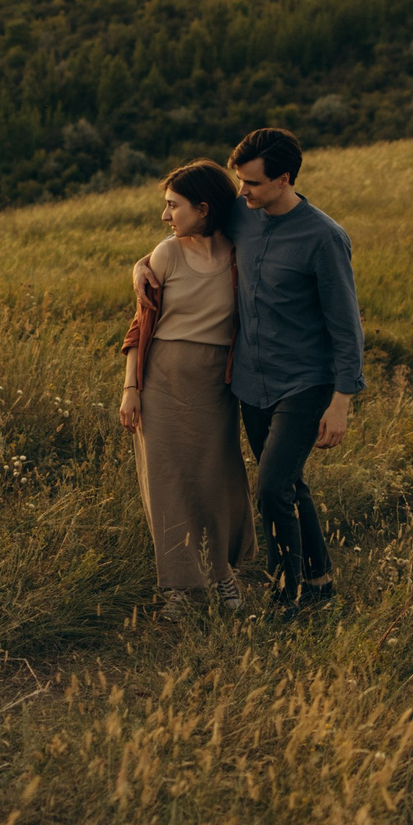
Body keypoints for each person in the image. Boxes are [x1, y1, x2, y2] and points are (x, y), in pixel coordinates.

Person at [136, 127, 364, 614]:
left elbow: (347, 327)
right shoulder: (243, 214)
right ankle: (319, 580)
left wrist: (341, 402)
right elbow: (185, 235)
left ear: (284, 179)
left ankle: (288, 596)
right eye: (239, 181)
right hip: (251, 383)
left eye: (253, 183)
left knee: (273, 488)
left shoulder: (324, 238)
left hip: (304, 383)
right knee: (291, 485)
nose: (242, 192)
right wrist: (141, 267)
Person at [119, 161, 253, 621]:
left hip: (216, 385)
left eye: (173, 206)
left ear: (204, 208)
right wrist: (130, 387)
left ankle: (222, 573)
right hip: (160, 383)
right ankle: (179, 586)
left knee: (217, 479)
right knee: (168, 484)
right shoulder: (165, 254)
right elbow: (140, 325)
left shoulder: (240, 253)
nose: (165, 216)